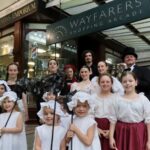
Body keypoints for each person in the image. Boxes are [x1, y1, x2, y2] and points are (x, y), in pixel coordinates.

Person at [109, 72, 150, 150]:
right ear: (121, 84)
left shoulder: (143, 99)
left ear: (136, 82)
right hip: (121, 132)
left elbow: (148, 121)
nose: (127, 83)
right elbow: (113, 120)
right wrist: (111, 138)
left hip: (137, 132)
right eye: (124, 81)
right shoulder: (117, 99)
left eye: (130, 81)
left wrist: (149, 141)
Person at [93, 73, 118, 150]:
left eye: (107, 82)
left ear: (111, 83)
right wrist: (96, 128)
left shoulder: (117, 98)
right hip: (96, 127)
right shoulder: (93, 97)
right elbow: (89, 115)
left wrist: (111, 131)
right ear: (99, 83)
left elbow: (120, 116)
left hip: (112, 127)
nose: (105, 84)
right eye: (102, 82)